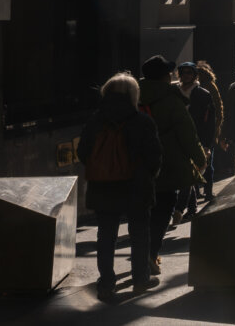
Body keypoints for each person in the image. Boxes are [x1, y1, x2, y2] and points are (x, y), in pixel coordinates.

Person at [78, 73, 163, 300]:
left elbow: (83, 152)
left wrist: (104, 170)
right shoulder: (143, 121)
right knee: (139, 234)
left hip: (103, 187)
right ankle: (140, 280)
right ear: (133, 94)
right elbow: (154, 156)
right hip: (136, 186)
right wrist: (147, 176)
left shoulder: (95, 120)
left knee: (106, 235)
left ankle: (106, 283)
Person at [138, 55, 207, 279]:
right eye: (169, 72)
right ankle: (150, 254)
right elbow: (187, 133)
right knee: (162, 210)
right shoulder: (171, 99)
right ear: (164, 76)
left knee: (140, 213)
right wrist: (200, 158)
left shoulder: (132, 95)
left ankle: (141, 256)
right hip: (166, 165)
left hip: (137, 165)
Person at [175, 61, 216, 223]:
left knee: (188, 174)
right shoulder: (175, 92)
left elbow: (210, 122)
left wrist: (207, 145)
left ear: (195, 75)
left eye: (189, 73)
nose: (186, 76)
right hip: (177, 139)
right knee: (188, 175)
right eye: (183, 73)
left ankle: (179, 208)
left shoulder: (203, 94)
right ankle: (191, 208)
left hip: (196, 139)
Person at [194, 61, 224, 200]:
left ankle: (201, 191)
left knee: (201, 163)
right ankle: (206, 191)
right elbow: (219, 110)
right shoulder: (210, 86)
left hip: (202, 131)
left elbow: (217, 110)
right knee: (207, 162)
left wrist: (215, 129)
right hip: (205, 131)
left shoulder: (205, 88)